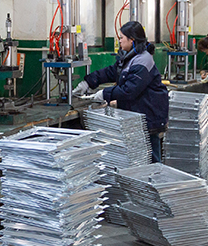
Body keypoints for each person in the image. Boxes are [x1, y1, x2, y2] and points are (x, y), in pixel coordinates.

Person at [72, 21, 169, 163]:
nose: (120, 40)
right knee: (138, 158)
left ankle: (156, 177)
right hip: (138, 112)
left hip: (149, 114)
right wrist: (88, 82)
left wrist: (104, 94)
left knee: (150, 157)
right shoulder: (130, 56)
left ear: (132, 40)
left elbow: (129, 90)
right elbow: (112, 71)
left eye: (122, 37)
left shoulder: (143, 60)